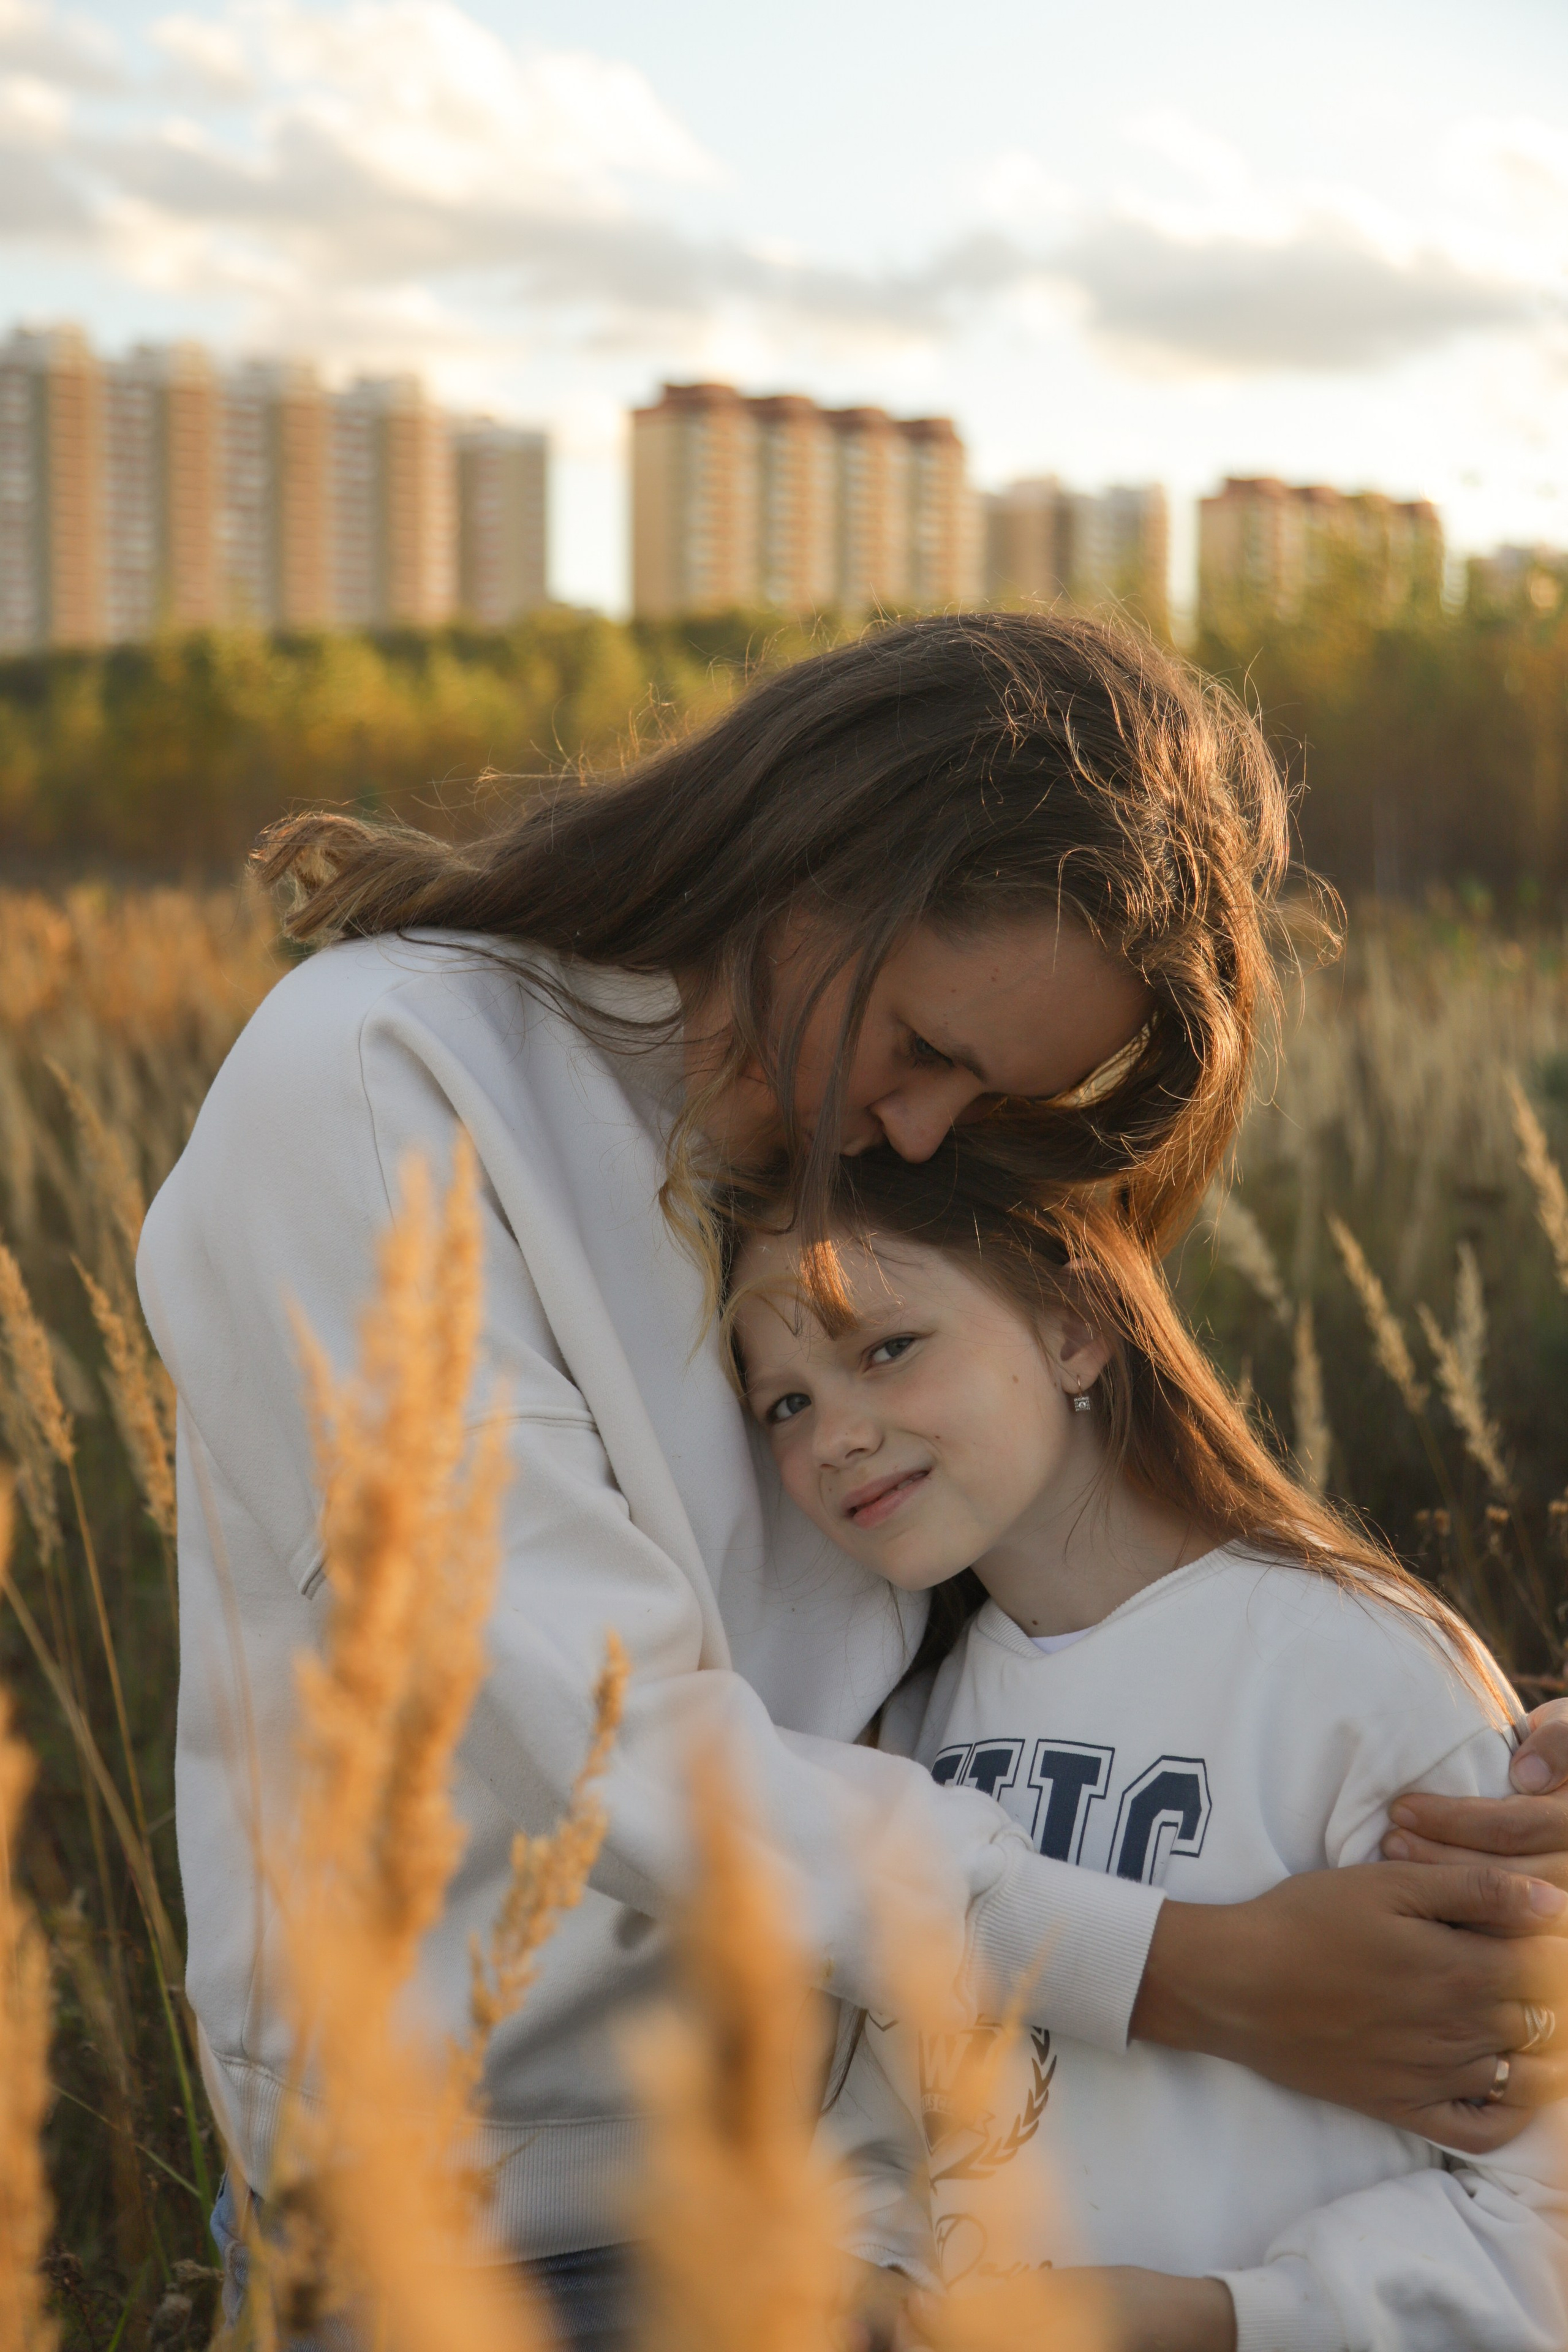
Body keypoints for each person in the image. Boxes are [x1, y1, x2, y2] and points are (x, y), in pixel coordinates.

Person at [137, 612, 1568, 2351]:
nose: (914, 1133)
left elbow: (1077, 1592)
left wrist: (1476, 1761)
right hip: (510, 2221)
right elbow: (605, 1744)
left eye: (978, 1096)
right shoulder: (383, 1078)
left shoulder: (833, 1165)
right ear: (823, 847)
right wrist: (1202, 1975)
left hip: (861, 2217)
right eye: (922, 1044)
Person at [727, 1145, 1568, 2351]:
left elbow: (1535, 2209)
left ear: (1073, 1329)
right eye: (784, 1404)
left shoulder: (1353, 1673)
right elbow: (876, 2135)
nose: (836, 1437)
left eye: (884, 1348)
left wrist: (1219, 2320)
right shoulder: (899, 1737)